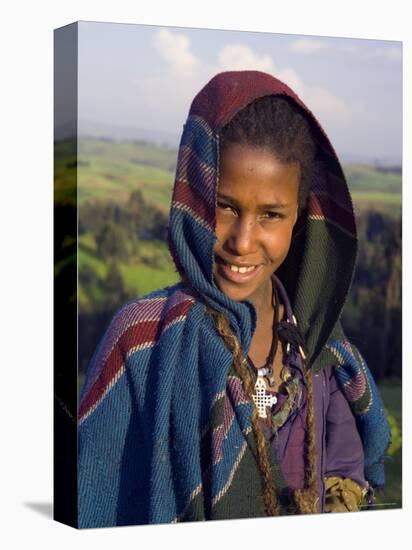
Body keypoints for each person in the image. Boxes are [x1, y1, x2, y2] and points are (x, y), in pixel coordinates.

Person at [78, 70, 391, 528]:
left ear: (298, 219)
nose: (243, 242)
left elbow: (345, 475)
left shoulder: (323, 353)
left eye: (271, 214)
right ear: (196, 197)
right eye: (225, 206)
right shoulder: (142, 343)